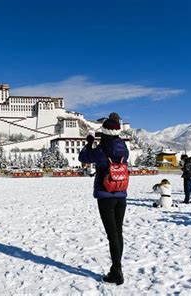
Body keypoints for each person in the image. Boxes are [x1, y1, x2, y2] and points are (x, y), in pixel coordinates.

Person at [79, 112, 129, 285]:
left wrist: (90, 144)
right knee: (119, 232)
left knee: (112, 234)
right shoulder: (124, 148)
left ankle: (116, 271)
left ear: (105, 133)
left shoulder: (101, 151)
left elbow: (83, 158)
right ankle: (118, 267)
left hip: (105, 194)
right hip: (121, 193)